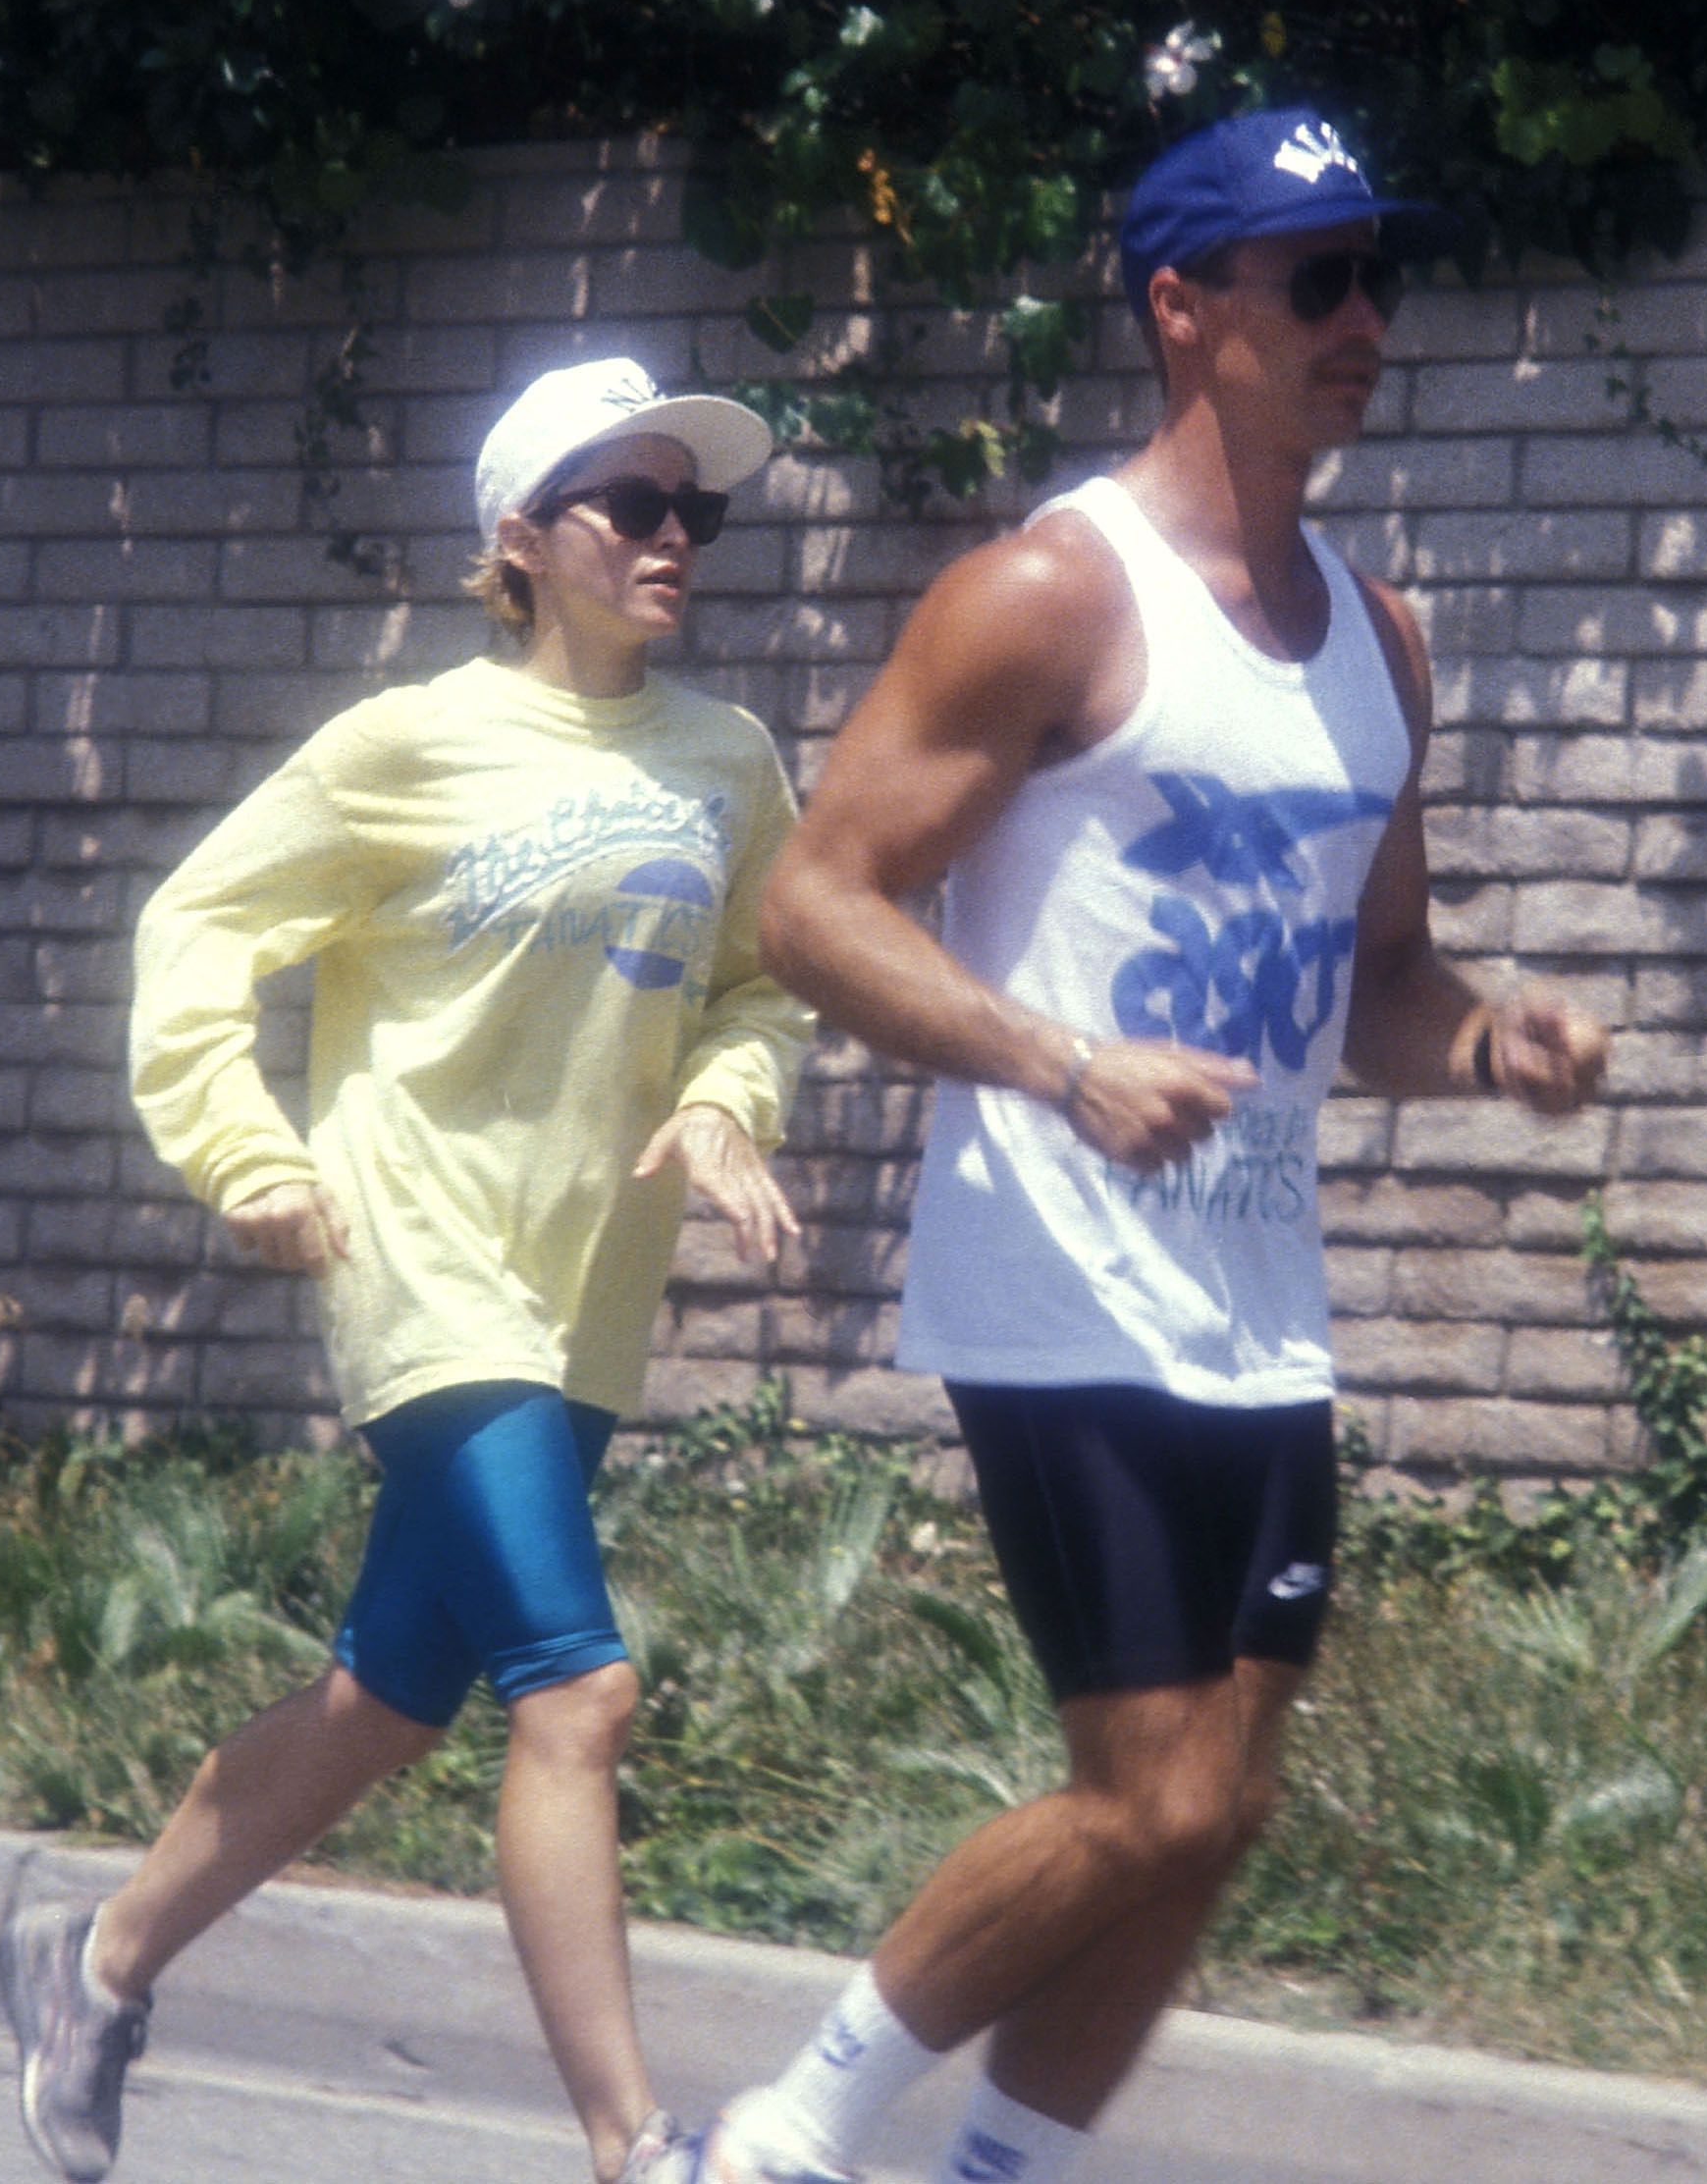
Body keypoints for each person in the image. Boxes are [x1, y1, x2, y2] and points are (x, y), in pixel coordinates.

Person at [675, 109, 1611, 2184]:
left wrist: (1488, 1041)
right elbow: (813, 906)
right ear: (1185, 306)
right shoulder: (1047, 593)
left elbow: (1380, 982)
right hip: (1061, 1280)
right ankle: (775, 2151)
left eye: (1385, 278)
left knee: (1226, 1805)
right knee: (1147, 1799)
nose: (1367, 322)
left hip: (1258, 1303)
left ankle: (994, 2172)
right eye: (1320, 280)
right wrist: (1053, 1056)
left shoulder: (1382, 641)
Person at [0, 356, 814, 2184]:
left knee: (388, 1703)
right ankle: (635, 2146)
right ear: (520, 542)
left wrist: (738, 1095)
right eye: (634, 504)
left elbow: (764, 977)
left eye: (699, 510)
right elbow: (199, 923)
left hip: (582, 1291)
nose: (678, 538)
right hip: (423, 1265)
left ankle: (96, 1960)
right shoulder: (403, 744)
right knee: (577, 1692)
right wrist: (251, 1153)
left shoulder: (727, 760)